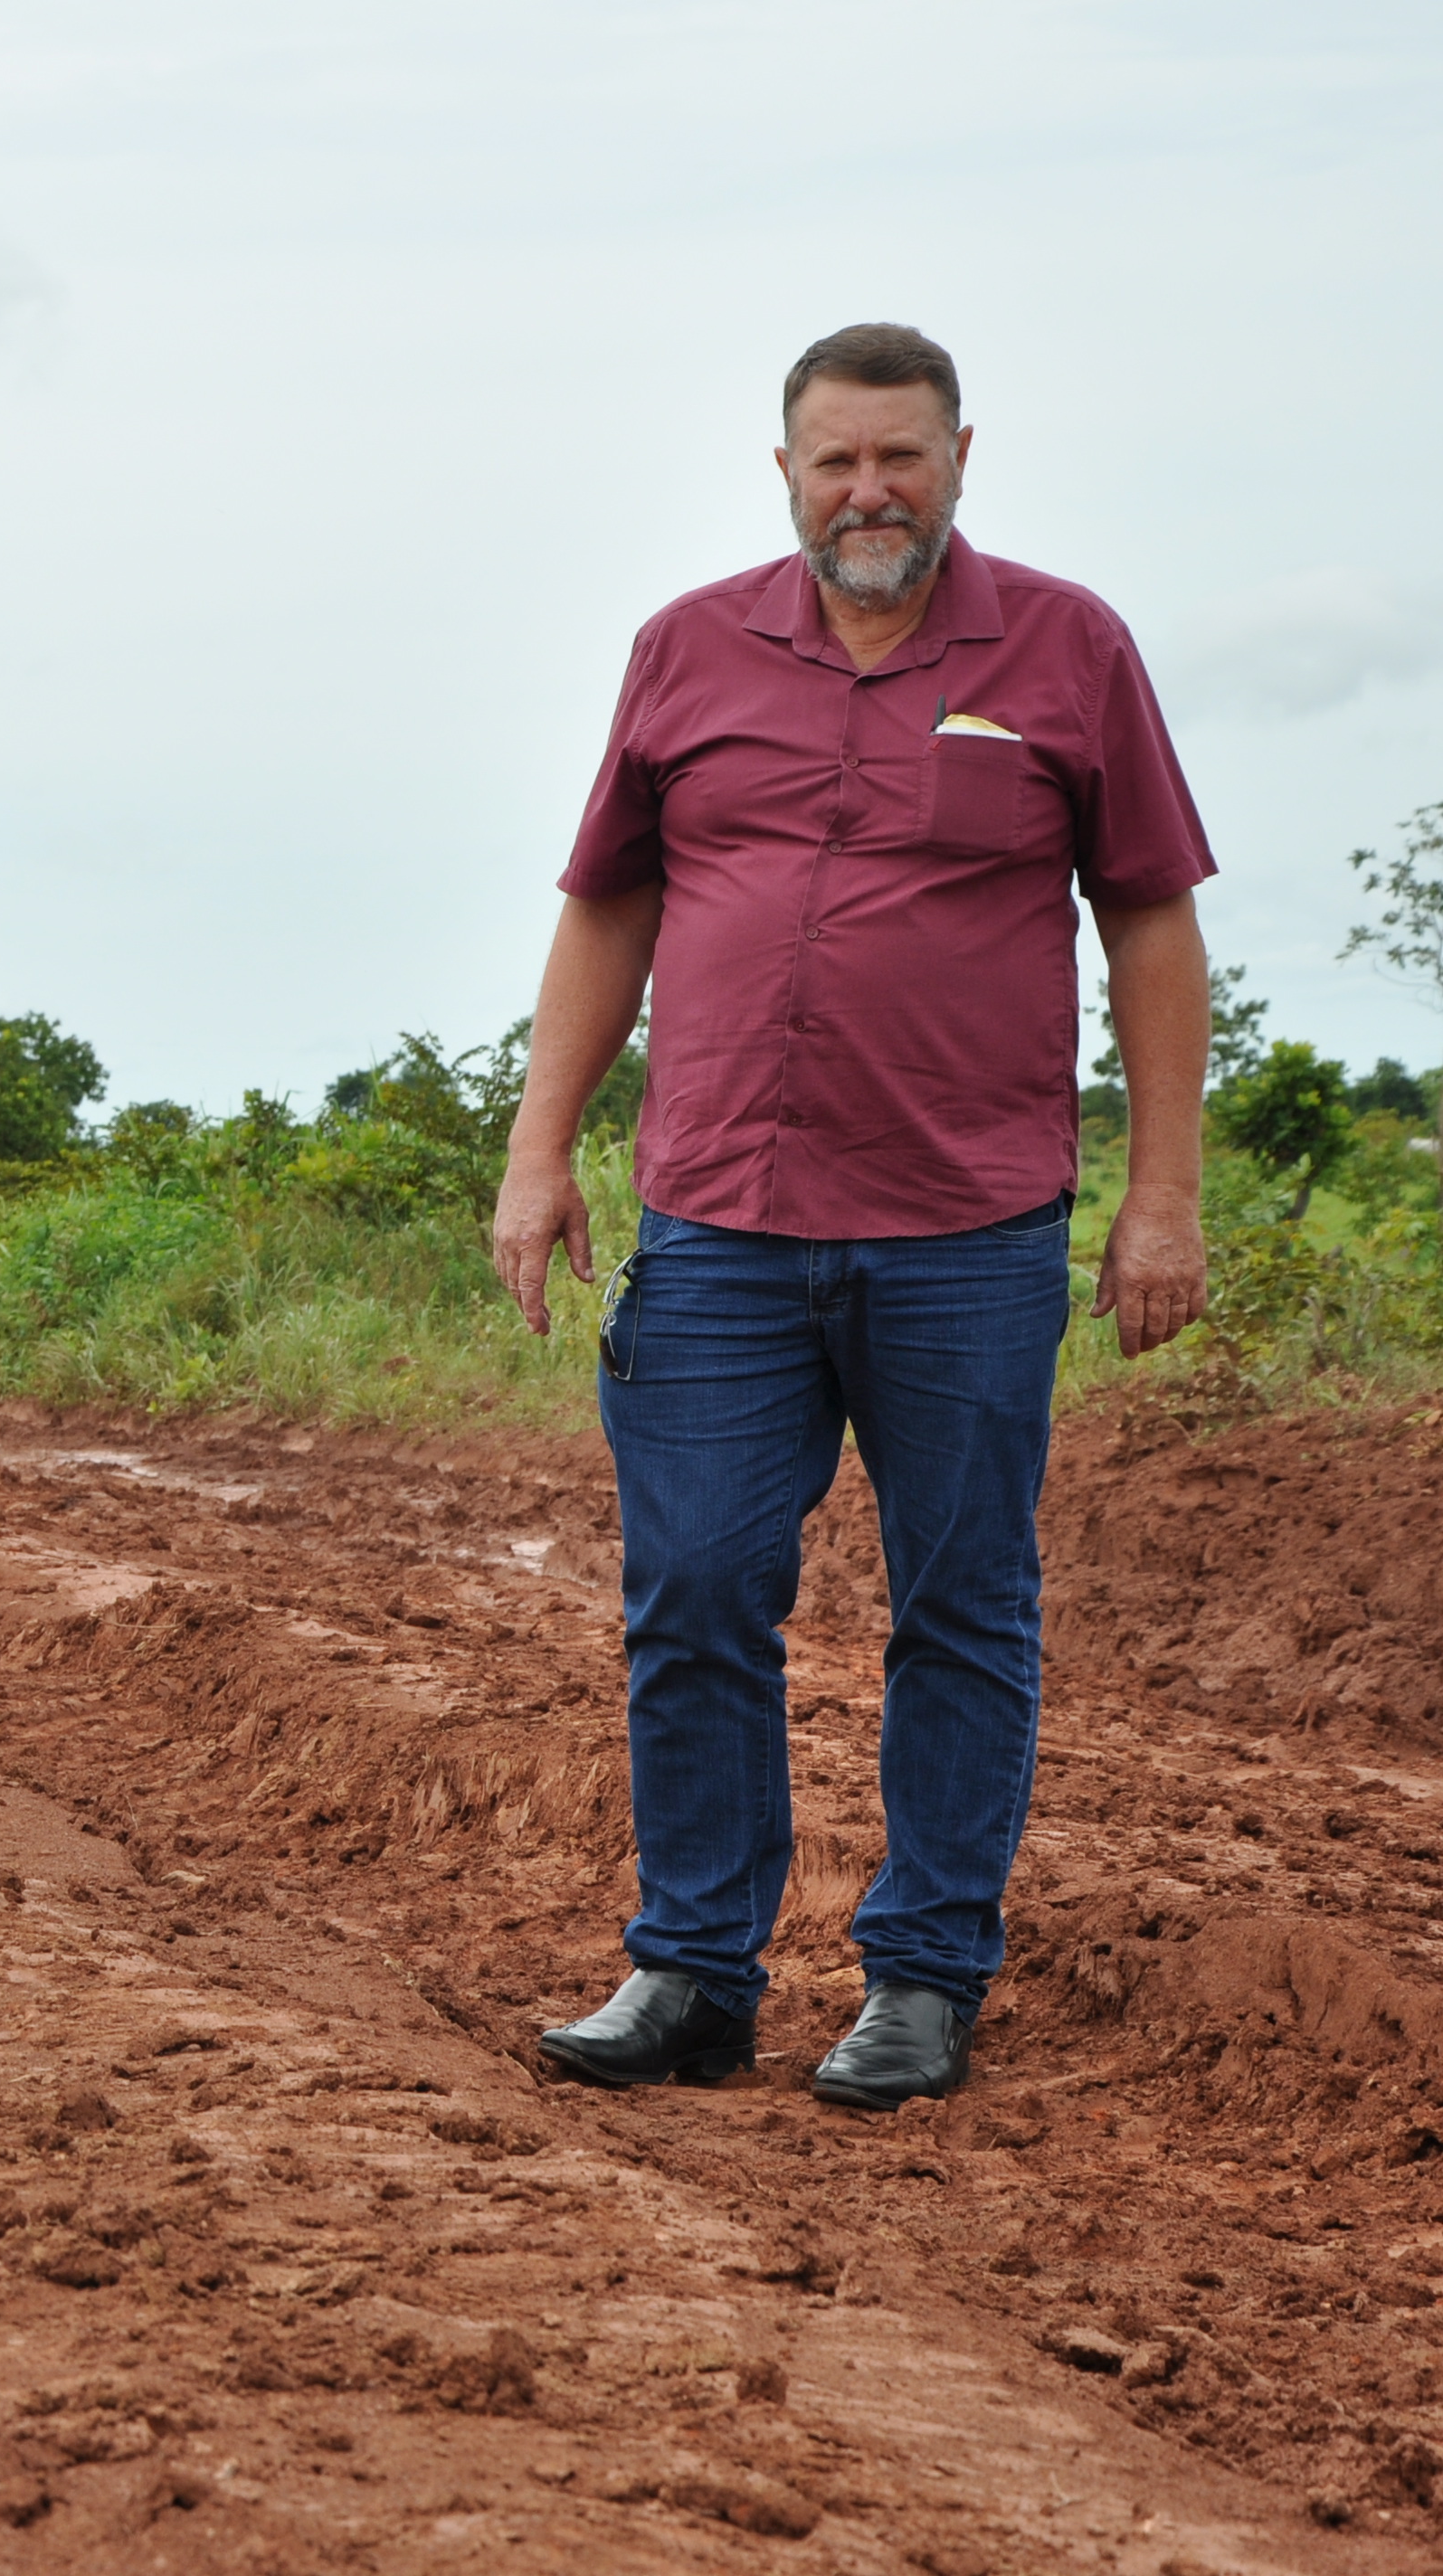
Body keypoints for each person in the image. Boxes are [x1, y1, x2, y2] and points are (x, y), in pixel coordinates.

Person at [490, 323, 1215, 2114]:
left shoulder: (1063, 646)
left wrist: (1162, 1194)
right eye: (833, 461)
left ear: (958, 455)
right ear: (783, 471)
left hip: (962, 1223)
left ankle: (918, 1974)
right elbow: (605, 908)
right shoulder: (685, 647)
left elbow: (1144, 920)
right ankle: (689, 1967)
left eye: (898, 457)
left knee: (959, 1597)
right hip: (719, 1218)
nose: (866, 492)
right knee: (693, 1585)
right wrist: (537, 1150)